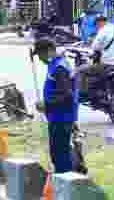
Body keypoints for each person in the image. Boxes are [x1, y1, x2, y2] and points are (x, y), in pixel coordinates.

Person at [33, 38, 79, 174]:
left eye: (40, 55)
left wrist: (46, 104)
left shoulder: (59, 68)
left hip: (62, 118)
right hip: (57, 117)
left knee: (60, 156)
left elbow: (68, 96)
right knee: (58, 153)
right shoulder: (55, 64)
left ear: (49, 51)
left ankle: (66, 183)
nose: (40, 59)